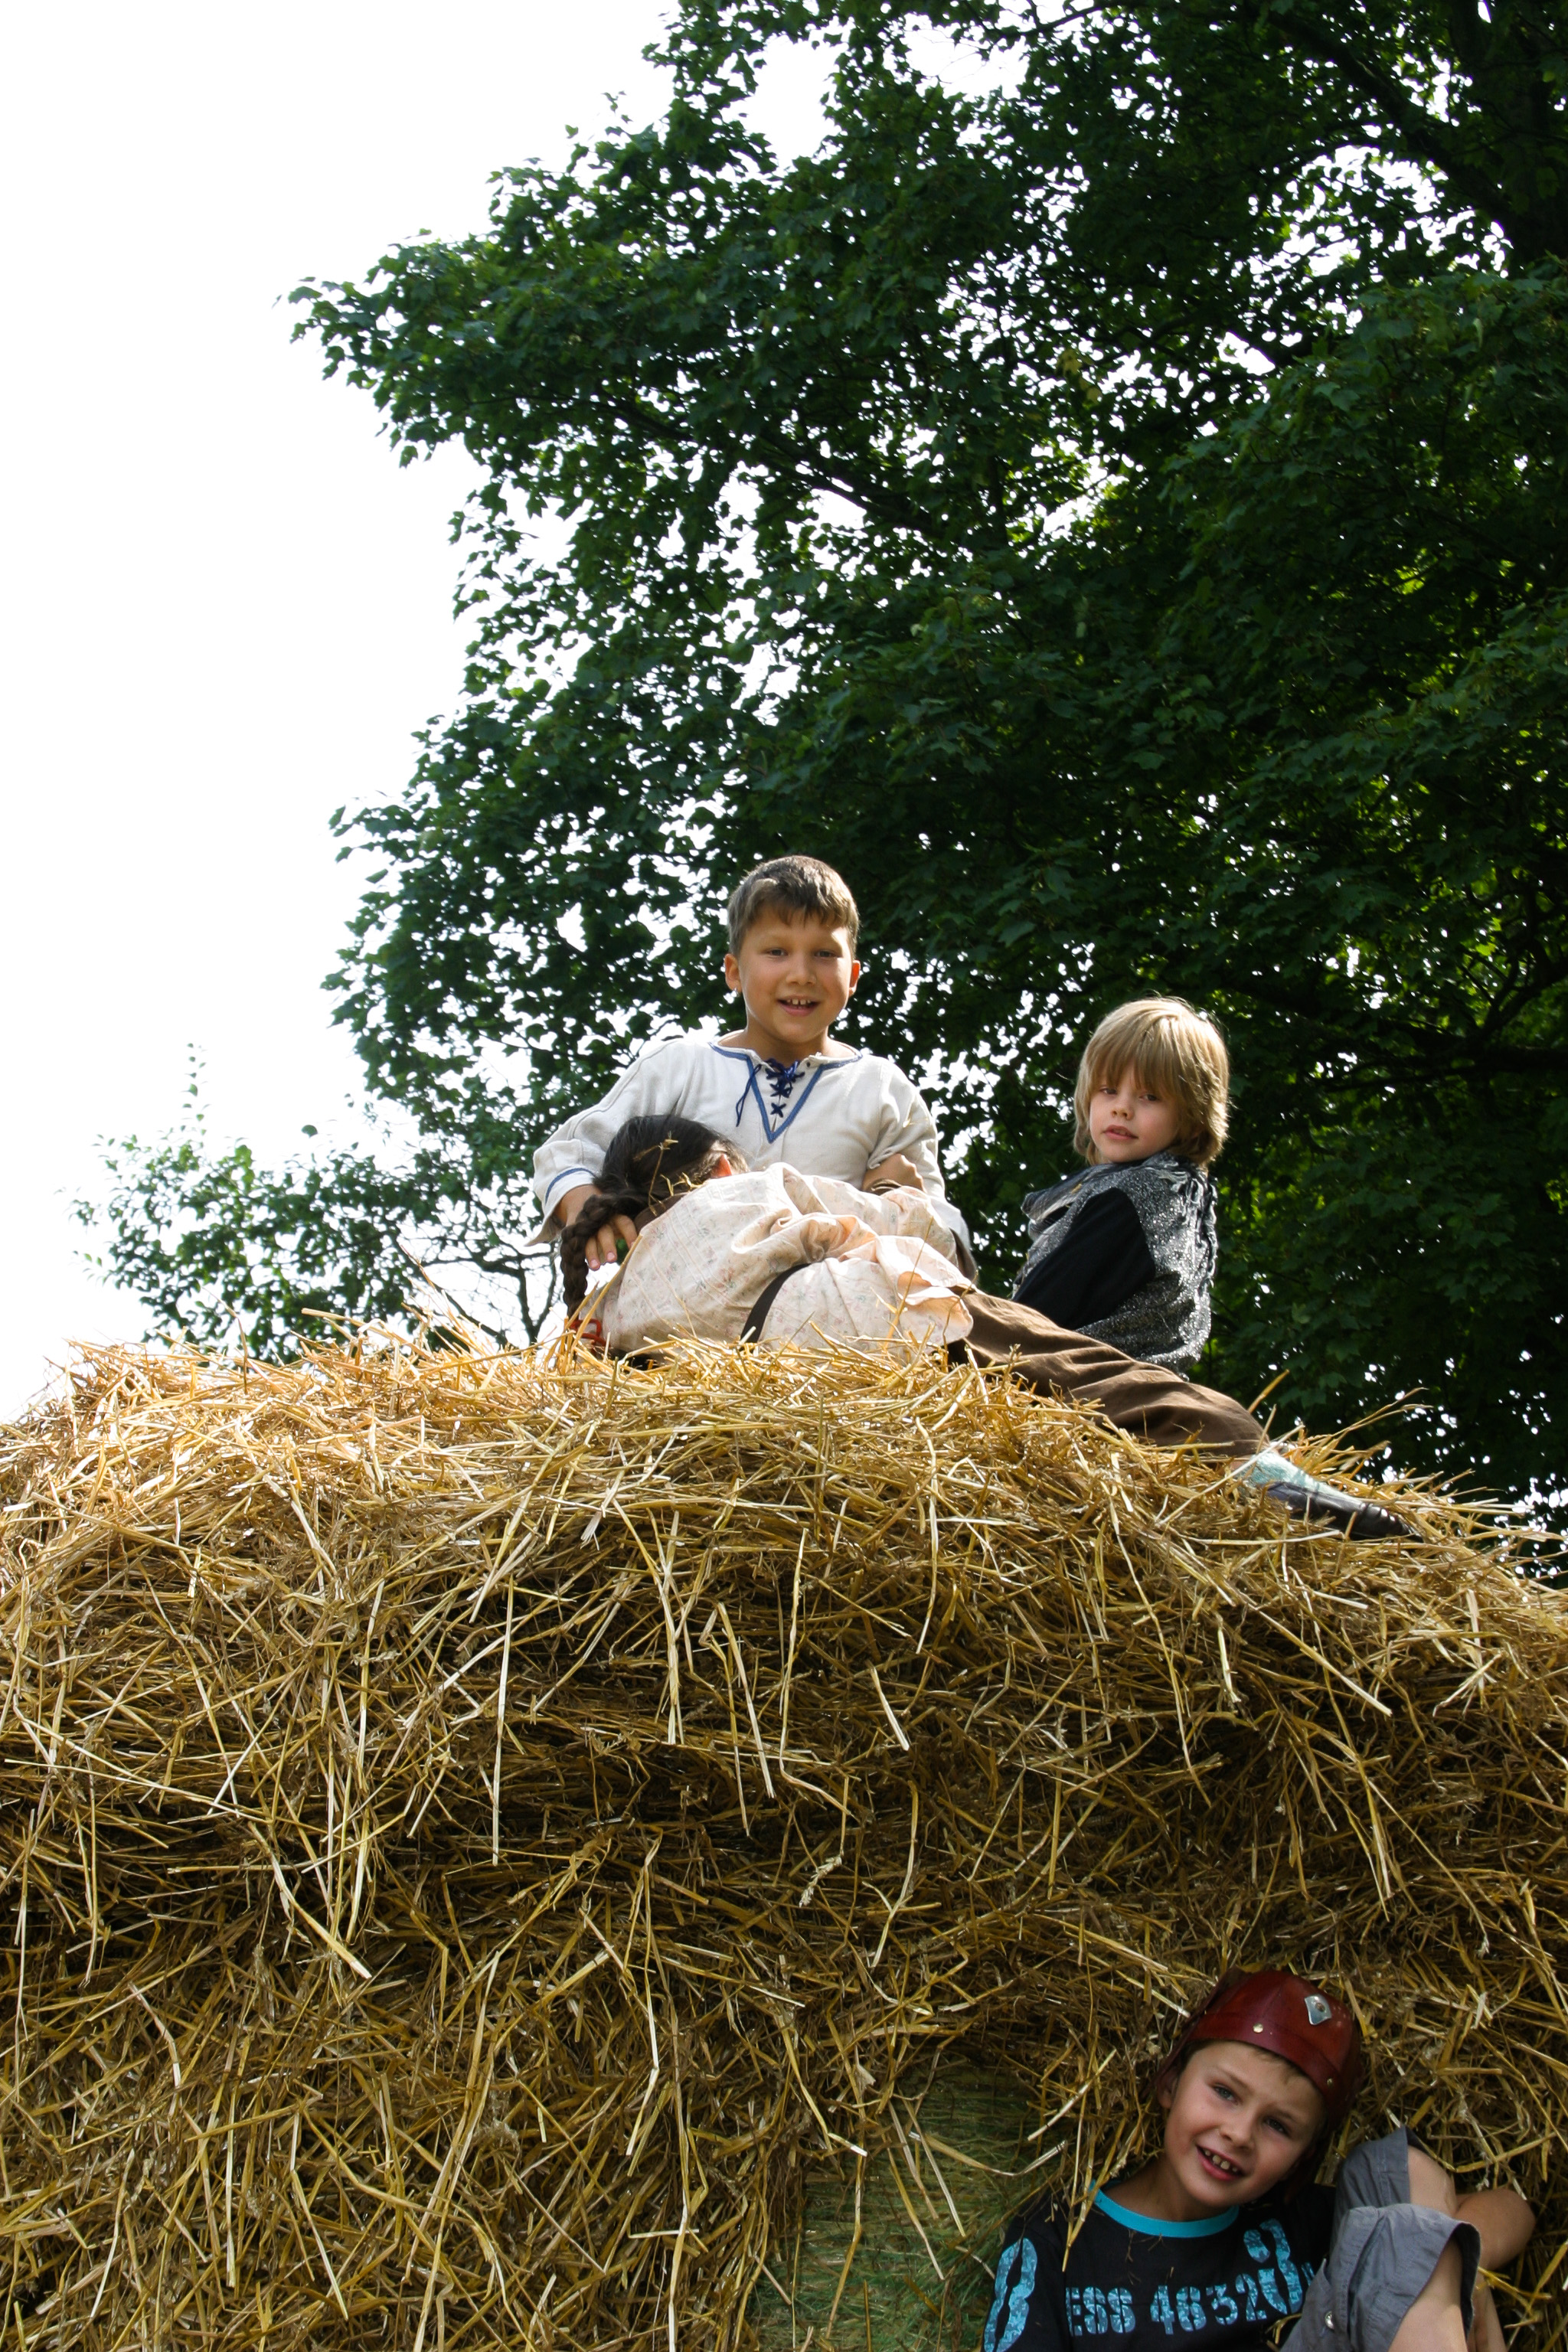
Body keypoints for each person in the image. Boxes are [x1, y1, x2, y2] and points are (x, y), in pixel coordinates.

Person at [560, 1118, 1414, 1540]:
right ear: (719, 1164)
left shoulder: (619, 1296)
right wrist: (905, 1199)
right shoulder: (746, 1187)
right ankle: (1250, 1463)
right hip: (872, 1314)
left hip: (797, 1395)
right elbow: (907, 1224)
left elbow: (596, 1374)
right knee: (1075, 1372)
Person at [982, 1969, 1534, 2352]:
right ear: (1171, 2083)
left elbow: (1515, 2209)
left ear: (1301, 2159)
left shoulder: (1301, 2227)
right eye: (1225, 2092)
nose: (1239, 2133)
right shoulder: (1061, 2236)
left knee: (1390, 2171)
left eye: (1278, 2126)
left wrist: (1455, 2269)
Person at [530, 854, 972, 1273]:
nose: (801, 974)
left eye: (824, 953)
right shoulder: (680, 1067)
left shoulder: (882, 1091)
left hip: (835, 1315)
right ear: (734, 972)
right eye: (777, 951)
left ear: (853, 976)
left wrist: (895, 1198)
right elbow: (569, 1151)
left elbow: (942, 1240)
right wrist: (589, 1207)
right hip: (685, 1314)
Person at [1013, 998, 1228, 1374]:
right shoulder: (1184, 1203)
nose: (1122, 1108)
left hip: (1080, 1387)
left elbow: (1030, 1320)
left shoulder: (1136, 1199)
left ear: (1193, 1118)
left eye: (1150, 1096)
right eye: (1108, 1090)